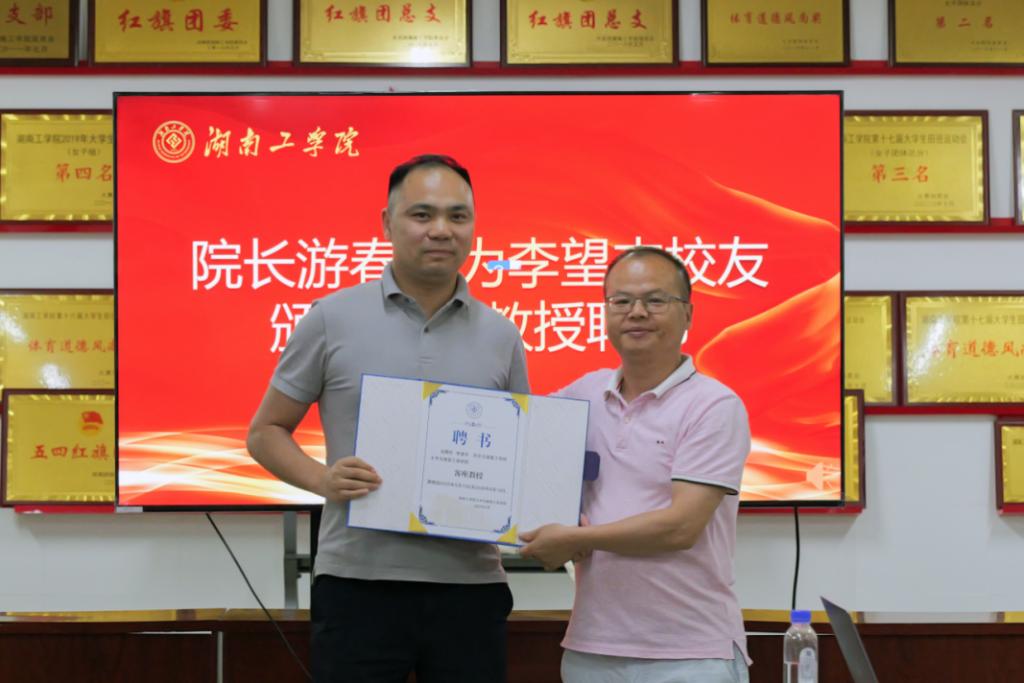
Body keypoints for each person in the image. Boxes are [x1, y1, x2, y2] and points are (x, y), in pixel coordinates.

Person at [247, 154, 530, 683]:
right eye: (422, 214)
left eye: (458, 216)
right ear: (387, 223)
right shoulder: (331, 317)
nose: (441, 230)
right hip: (358, 582)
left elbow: (518, 453)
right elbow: (265, 432)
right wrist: (323, 480)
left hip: (471, 586)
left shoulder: (501, 334)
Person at [520, 246, 752, 683]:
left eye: (655, 300)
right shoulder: (583, 395)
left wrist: (574, 537)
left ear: (688, 314)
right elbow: (514, 450)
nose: (637, 313)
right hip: (591, 649)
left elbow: (680, 527)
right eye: (621, 301)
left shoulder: (713, 405)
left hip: (689, 655)